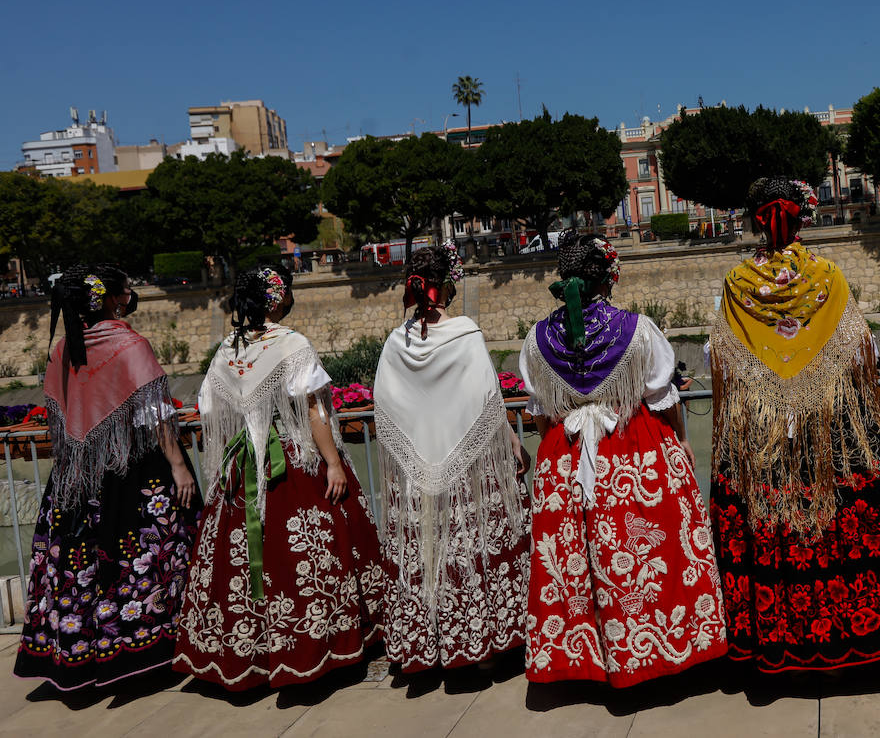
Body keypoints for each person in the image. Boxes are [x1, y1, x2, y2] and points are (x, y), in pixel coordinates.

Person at [709, 177, 880, 673]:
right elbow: (861, 356)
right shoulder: (827, 275)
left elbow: (722, 368)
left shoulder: (737, 285)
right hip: (831, 423)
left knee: (774, 522)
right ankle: (857, 633)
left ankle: (780, 637)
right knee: (836, 516)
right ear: (803, 216)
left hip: (760, 431)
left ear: (753, 220)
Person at [520, 230, 727, 686]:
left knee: (578, 556)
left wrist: (559, 450)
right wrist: (680, 439)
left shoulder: (537, 340)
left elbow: (541, 412)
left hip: (568, 452)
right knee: (650, 545)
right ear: (607, 278)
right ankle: (660, 650)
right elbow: (659, 394)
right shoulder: (635, 329)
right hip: (634, 445)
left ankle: (587, 658)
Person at [173, 267, 389, 690]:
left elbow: (211, 413)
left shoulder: (227, 349)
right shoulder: (291, 345)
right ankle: (316, 647)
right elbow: (314, 410)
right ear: (276, 299)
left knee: (240, 559)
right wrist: (332, 462)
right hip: (291, 458)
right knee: (310, 551)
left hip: (243, 464)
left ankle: (248, 653)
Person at [14, 265, 201, 691]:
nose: (131, 294)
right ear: (110, 299)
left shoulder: (64, 349)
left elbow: (62, 419)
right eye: (127, 289)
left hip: (75, 480)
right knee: (151, 556)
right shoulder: (128, 344)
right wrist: (177, 466)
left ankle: (78, 657)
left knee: (75, 568)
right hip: (132, 475)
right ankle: (145, 651)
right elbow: (155, 414)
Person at [372, 243, 531, 673]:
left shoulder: (395, 341)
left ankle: (430, 646)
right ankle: (481, 643)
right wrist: (513, 446)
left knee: (426, 556)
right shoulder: (465, 333)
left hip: (417, 477)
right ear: (445, 287)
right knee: (472, 550)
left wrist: (413, 454)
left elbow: (384, 406)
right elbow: (488, 402)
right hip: (468, 468)